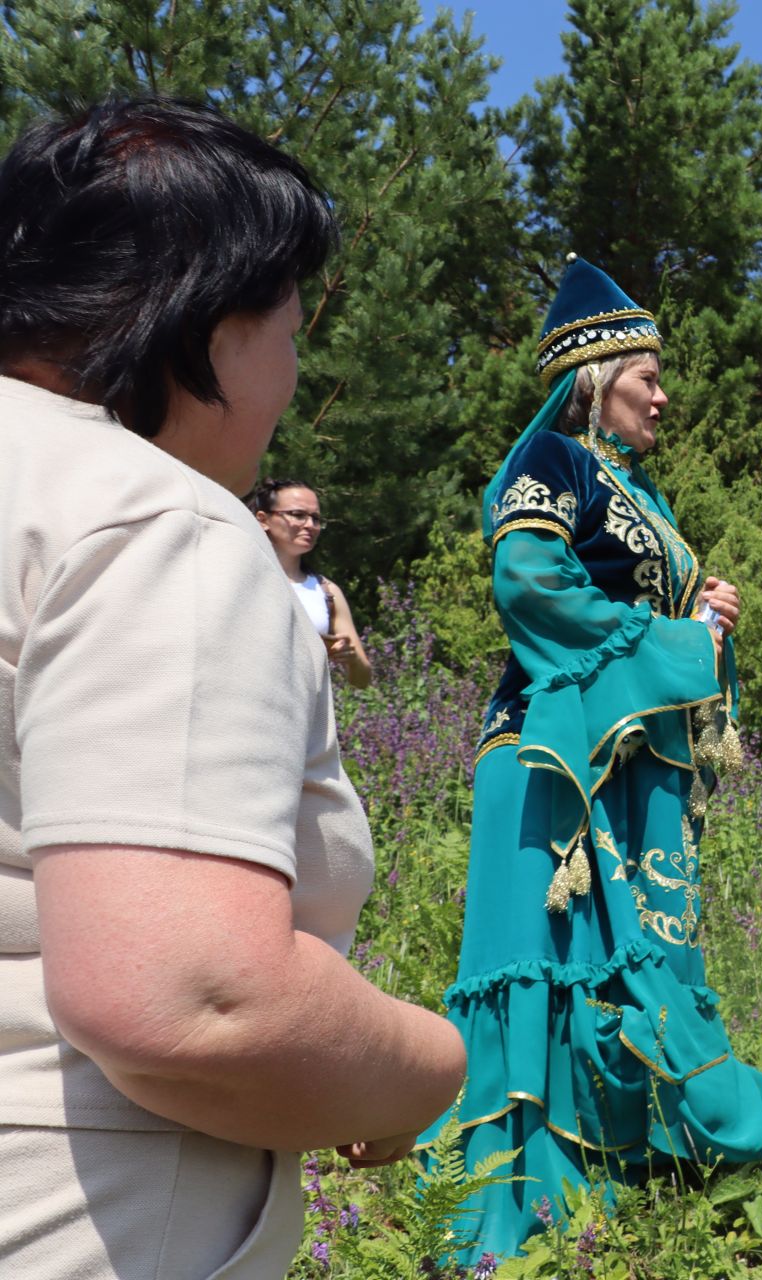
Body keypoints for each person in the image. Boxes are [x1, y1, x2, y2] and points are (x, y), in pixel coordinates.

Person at [0, 98, 465, 1279]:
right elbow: (193, 996)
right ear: (200, 321)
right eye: (291, 333)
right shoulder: (156, 521)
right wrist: (423, 1061)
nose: (296, 379)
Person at [436, 256, 762, 1263]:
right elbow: (530, 583)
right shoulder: (551, 457)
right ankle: (518, 1206)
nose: (665, 395)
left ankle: (620, 1174)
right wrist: (678, 642)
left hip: (629, 757)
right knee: (548, 957)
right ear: (596, 378)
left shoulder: (643, 490)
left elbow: (631, 616)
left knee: (632, 951)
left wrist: (702, 621)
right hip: (554, 757)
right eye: (650, 376)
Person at [247, 477, 373, 688]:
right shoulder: (244, 579)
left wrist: (351, 658)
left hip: (305, 718)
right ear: (263, 520)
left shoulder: (327, 592)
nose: (310, 525)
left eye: (315, 518)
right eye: (298, 515)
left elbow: (362, 680)